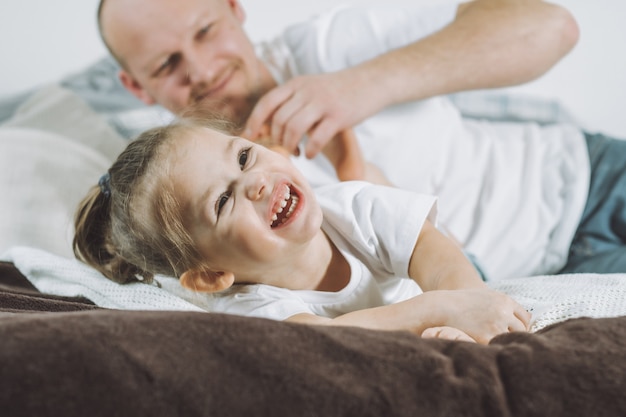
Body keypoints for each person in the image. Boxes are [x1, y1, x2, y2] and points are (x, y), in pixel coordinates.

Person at [96, 0, 626, 279]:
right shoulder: (176, 200)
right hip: (519, 278)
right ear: (135, 86)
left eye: (206, 30)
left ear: (235, 8)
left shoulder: (331, 45)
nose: (204, 69)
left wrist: (359, 86)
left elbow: (552, 26)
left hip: (588, 179)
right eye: (167, 65)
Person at [73, 117, 531, 344]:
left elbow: (433, 252)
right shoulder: (251, 310)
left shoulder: (349, 206)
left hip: (446, 275)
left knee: (468, 266)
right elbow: (322, 338)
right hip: (428, 301)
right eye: (222, 201)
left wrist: (468, 305)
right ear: (211, 275)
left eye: (244, 157)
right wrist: (439, 311)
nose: (253, 182)